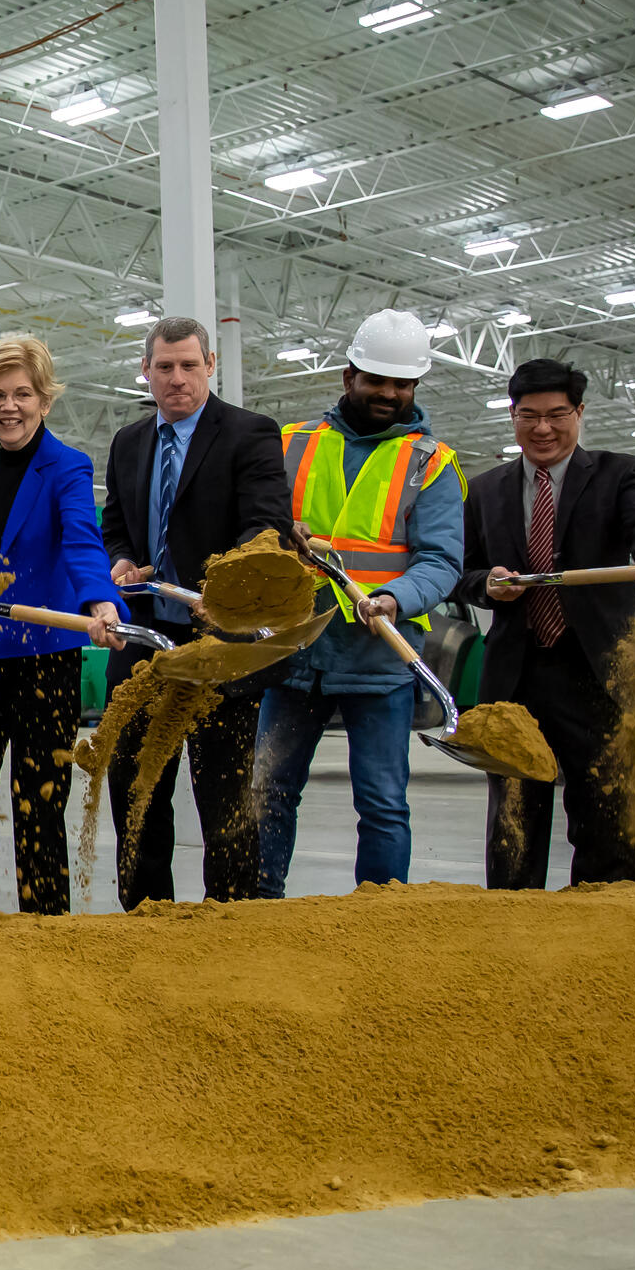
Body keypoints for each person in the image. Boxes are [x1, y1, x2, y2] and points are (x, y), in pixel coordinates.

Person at [253, 309, 464, 894]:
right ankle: (258, 909)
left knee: (382, 804)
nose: (389, 393)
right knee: (268, 791)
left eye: (402, 384)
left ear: (415, 387)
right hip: (295, 655)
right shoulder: (291, 444)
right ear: (349, 377)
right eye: (377, 379)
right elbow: (255, 530)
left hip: (379, 662)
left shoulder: (432, 462)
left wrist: (397, 597)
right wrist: (277, 535)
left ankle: (380, 920)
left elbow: (442, 560)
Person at [455, 359, 635, 888]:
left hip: (597, 672)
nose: (543, 429)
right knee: (514, 818)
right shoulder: (484, 489)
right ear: (512, 416)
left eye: (557, 414)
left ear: (579, 412)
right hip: (515, 676)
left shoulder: (620, 472)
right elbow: (457, 571)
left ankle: (601, 924)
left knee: (605, 812)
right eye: (528, 416)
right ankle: (511, 926)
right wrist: (486, 583)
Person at [99, 316, 290, 905]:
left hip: (220, 647)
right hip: (143, 644)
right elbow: (115, 527)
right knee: (136, 789)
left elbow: (267, 524)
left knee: (224, 796)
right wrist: (123, 561)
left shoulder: (250, 434)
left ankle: (228, 924)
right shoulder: (129, 442)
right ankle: (146, 915)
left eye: (189, 365)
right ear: (146, 371)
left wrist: (228, 587)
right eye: (164, 367)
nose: (177, 378)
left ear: (211, 365)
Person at [0, 336, 121, 913]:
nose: (8, 406)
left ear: (45, 399)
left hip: (44, 659)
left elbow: (81, 542)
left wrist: (99, 603)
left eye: (22, 394)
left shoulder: (66, 466)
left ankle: (45, 934)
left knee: (39, 802)